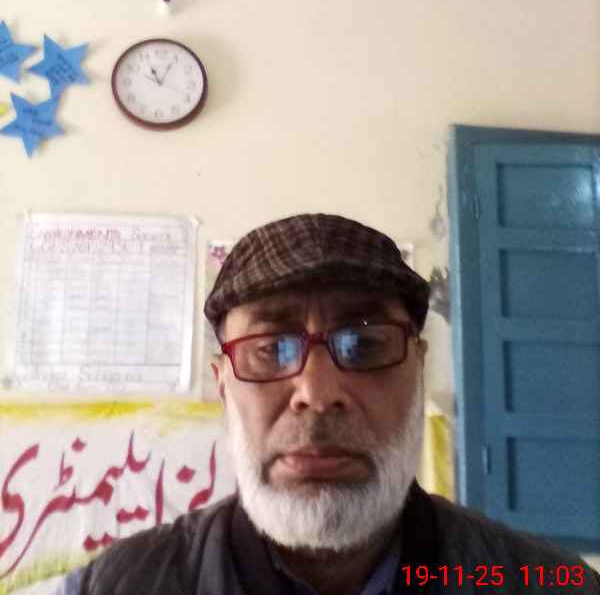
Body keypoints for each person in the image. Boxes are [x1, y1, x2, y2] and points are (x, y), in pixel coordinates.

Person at [54, 213, 599, 594]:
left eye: (364, 345)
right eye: (270, 349)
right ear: (224, 384)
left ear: (418, 368)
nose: (316, 394)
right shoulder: (116, 586)